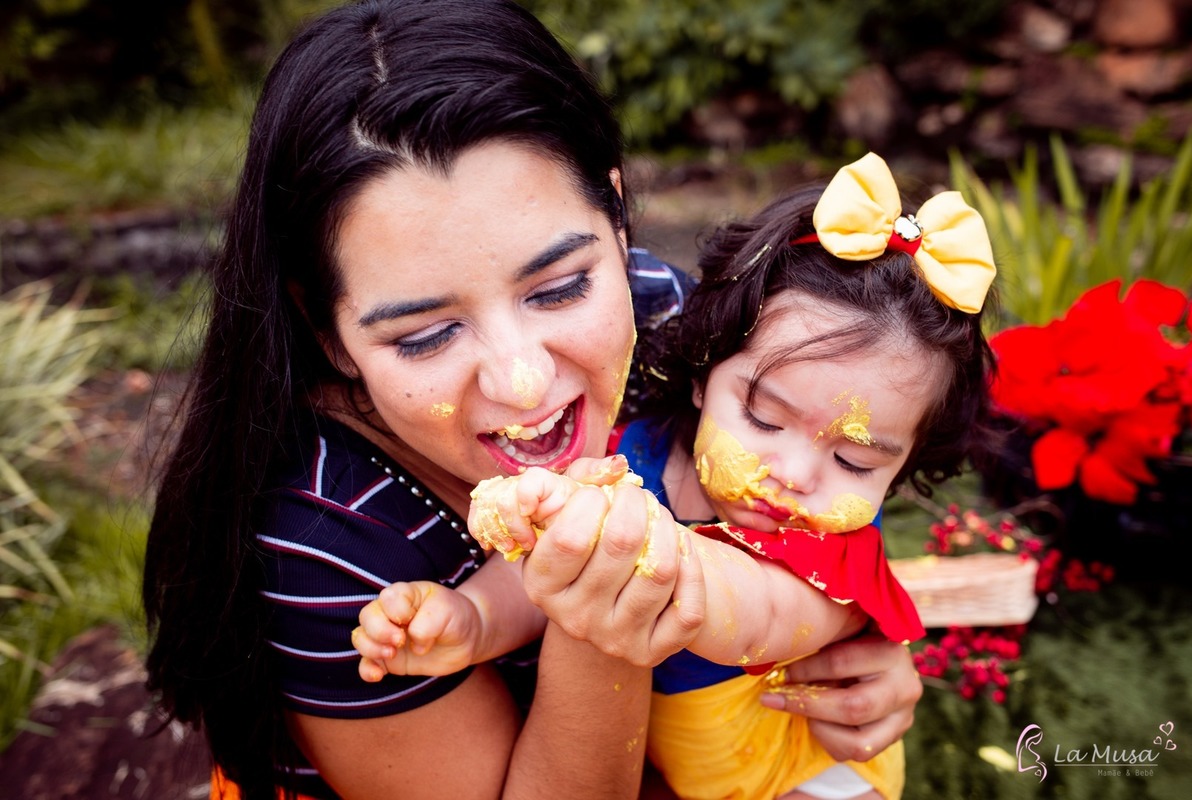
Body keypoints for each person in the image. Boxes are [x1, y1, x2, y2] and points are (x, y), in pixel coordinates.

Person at [139, 0, 923, 797]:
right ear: (326, 327)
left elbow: (813, 512)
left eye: (559, 288)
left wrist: (850, 651)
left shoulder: (665, 321)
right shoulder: (325, 534)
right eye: (424, 335)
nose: (523, 381)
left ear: (615, 218)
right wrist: (604, 614)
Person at [353, 152, 998, 799]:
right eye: (765, 418)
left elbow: (751, 611)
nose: (796, 474)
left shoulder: (834, 556)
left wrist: (634, 547)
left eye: (854, 461)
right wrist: (475, 617)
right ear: (702, 377)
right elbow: (548, 571)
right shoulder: (637, 457)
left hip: (809, 777)